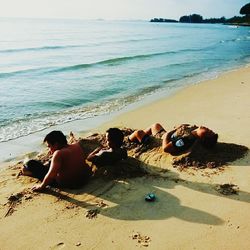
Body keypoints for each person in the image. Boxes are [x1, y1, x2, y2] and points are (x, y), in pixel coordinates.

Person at [22, 130, 93, 191]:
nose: (49, 149)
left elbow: (51, 175)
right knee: (51, 163)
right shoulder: (76, 145)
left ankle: (27, 170)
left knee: (31, 163)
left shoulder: (58, 153)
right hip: (83, 179)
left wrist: (41, 186)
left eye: (49, 146)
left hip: (67, 183)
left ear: (56, 144)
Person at [129, 123, 218, 155]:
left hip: (159, 142)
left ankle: (129, 141)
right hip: (166, 135)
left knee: (138, 133)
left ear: (202, 138)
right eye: (211, 130)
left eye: (209, 132)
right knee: (155, 125)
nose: (208, 129)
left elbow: (166, 148)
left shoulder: (186, 140)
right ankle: (143, 137)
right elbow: (179, 126)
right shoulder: (194, 129)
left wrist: (168, 134)